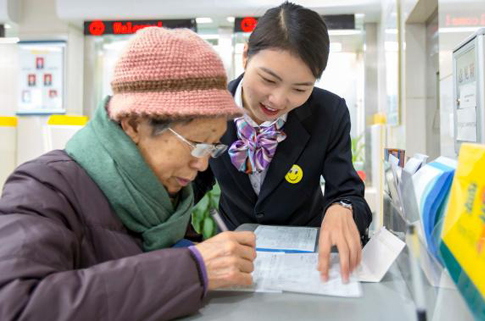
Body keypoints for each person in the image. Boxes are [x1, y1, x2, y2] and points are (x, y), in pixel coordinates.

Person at [0, 27, 256, 321]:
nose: (202, 165)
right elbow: (17, 305)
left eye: (212, 148)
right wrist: (190, 269)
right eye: (196, 145)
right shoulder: (42, 188)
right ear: (134, 125)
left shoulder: (163, 191)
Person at [194, 2, 372, 283]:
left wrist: (343, 208)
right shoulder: (211, 107)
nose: (278, 100)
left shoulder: (329, 112)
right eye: (268, 79)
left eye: (300, 89)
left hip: (308, 261)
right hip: (233, 255)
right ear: (245, 57)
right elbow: (191, 182)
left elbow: (348, 192)